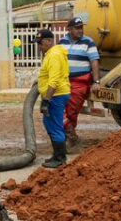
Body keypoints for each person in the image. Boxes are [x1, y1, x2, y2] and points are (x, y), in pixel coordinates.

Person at [59, 17, 101, 148]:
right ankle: (70, 135)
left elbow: (94, 61)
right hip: (63, 81)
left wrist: (96, 81)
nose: (80, 30)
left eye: (81, 28)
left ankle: (69, 137)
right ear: (69, 29)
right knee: (59, 108)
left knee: (71, 111)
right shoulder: (62, 42)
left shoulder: (88, 42)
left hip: (80, 82)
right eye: (77, 28)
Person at [37, 29, 71, 169]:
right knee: (49, 123)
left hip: (56, 96)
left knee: (55, 126)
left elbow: (54, 80)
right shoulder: (51, 54)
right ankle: (56, 154)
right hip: (54, 95)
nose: (39, 46)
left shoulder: (55, 55)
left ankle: (60, 158)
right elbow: (48, 75)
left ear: (49, 41)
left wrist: (46, 100)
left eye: (40, 43)